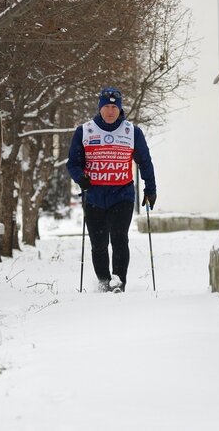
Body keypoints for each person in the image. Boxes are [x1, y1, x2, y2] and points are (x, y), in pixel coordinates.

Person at [67, 87, 157, 292]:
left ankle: (118, 282)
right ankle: (103, 281)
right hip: (94, 196)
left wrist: (150, 189)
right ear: (100, 108)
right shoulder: (85, 131)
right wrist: (81, 178)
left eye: (114, 107)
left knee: (119, 238)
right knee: (98, 244)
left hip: (122, 195)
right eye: (106, 106)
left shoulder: (132, 132)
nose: (110, 111)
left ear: (120, 108)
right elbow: (73, 163)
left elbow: (145, 162)